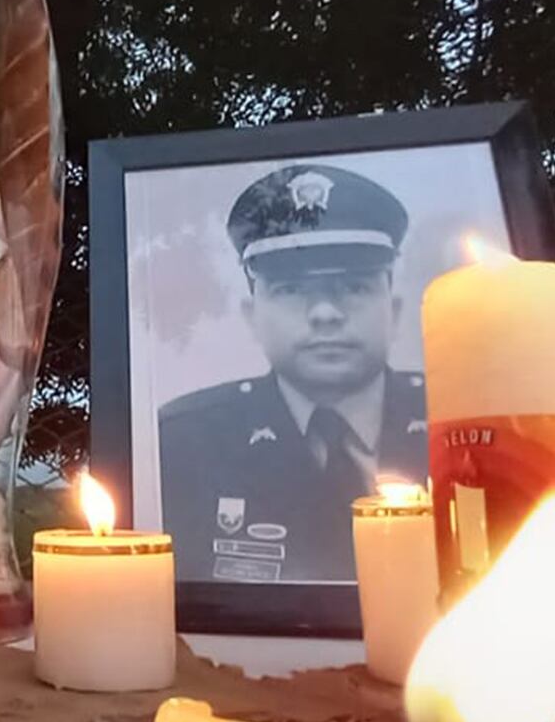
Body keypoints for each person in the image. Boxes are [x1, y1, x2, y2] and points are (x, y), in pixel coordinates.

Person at [157, 164, 429, 584]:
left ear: (393, 310)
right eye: (291, 290)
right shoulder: (182, 443)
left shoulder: (459, 421)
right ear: (252, 317)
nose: (325, 313)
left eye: (354, 287)